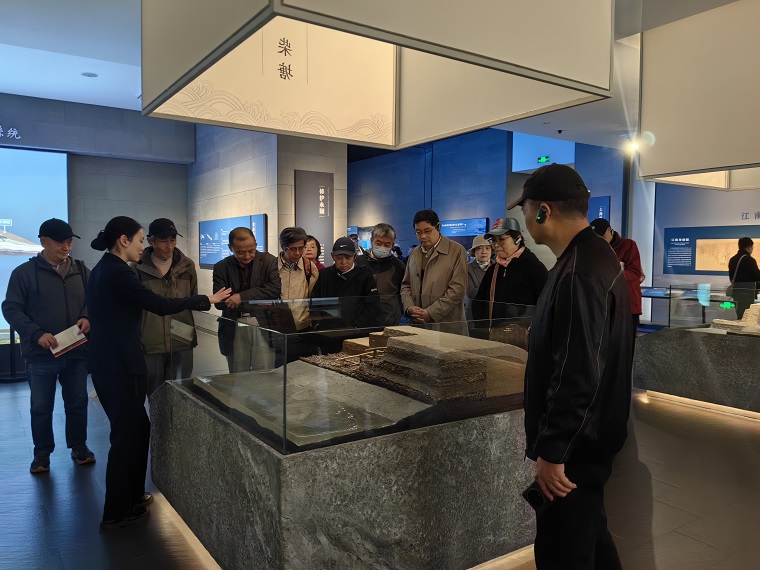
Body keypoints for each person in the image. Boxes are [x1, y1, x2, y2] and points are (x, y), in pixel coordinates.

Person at [509, 164, 632, 569]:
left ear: (543, 210)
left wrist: (554, 450)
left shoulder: (579, 270)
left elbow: (577, 371)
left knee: (563, 553)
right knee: (590, 541)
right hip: (589, 438)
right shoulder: (592, 257)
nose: (525, 217)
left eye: (526, 209)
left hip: (576, 449)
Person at [87, 216, 230, 532]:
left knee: (137, 429)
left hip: (114, 363)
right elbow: (159, 305)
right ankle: (116, 511)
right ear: (124, 240)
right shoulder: (118, 272)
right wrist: (207, 300)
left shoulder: (104, 269)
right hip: (119, 366)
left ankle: (132, 496)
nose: (144, 247)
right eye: (141, 240)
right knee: (126, 436)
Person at [2, 218, 94, 474]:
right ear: (43, 241)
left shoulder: (81, 270)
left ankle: (79, 447)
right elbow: (11, 308)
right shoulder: (23, 273)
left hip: (76, 351)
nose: (66, 247)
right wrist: (36, 333)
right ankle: (41, 454)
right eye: (60, 242)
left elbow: (94, 298)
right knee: (41, 407)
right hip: (41, 354)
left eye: (69, 242)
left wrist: (87, 316)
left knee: (77, 402)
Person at [134, 218, 199, 395]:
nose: (169, 246)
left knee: (182, 391)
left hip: (182, 338)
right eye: (163, 241)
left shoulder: (187, 265)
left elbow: (193, 296)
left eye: (173, 240)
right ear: (151, 241)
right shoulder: (137, 268)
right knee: (155, 392)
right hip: (150, 341)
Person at [212, 227, 281, 373]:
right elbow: (220, 302)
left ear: (256, 244)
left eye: (251, 250)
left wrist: (241, 297)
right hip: (234, 323)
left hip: (262, 323)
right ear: (230, 247)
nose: (247, 256)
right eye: (240, 252)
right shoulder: (221, 267)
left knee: (264, 372)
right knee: (238, 373)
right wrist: (259, 297)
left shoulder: (268, 261)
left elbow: (274, 289)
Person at [401, 209, 468, 334]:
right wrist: (409, 307)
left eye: (427, 231)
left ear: (438, 227)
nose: (423, 236)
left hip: (446, 325)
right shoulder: (414, 253)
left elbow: (457, 289)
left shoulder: (456, 251)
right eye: (418, 232)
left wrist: (431, 313)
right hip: (417, 325)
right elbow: (406, 285)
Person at [472, 220, 547, 324]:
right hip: (495, 332)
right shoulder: (493, 270)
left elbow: (546, 306)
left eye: (501, 239)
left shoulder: (534, 267)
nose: (496, 244)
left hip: (524, 331)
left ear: (517, 239)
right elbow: (479, 304)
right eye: (493, 240)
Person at [311, 237, 382, 330]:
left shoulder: (365, 276)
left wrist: (357, 325)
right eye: (339, 258)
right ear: (332, 256)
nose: (343, 262)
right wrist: (317, 324)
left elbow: (373, 306)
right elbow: (315, 302)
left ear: (354, 256)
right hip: (328, 331)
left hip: (356, 331)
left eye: (348, 258)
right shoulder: (324, 275)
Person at [590, 218, 643, 339]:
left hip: (627, 305)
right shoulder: (594, 249)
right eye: (596, 238)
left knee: (625, 343)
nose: (600, 240)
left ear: (610, 230)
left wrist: (607, 276)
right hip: (602, 306)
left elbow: (634, 272)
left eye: (603, 236)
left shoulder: (628, 245)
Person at [277, 227, 320, 362]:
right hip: (278, 329)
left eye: (301, 248)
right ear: (283, 247)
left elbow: (314, 297)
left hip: (303, 328)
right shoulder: (271, 267)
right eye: (292, 249)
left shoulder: (309, 267)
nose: (297, 253)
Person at [355, 223, 406, 325]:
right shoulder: (358, 262)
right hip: (362, 321)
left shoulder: (398, 265)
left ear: (392, 245)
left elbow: (403, 292)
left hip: (389, 321)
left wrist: (397, 314)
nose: (382, 247)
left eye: (387, 244)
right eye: (378, 243)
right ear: (371, 241)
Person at [727, 237, 760, 319]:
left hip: (736, 292)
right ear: (749, 247)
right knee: (747, 317)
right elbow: (757, 277)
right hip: (747, 293)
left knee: (740, 315)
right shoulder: (750, 260)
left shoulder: (732, 259)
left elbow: (731, 278)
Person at [465, 234, 492, 320]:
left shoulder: (498, 267)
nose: (484, 252)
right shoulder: (467, 269)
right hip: (474, 314)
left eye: (487, 248)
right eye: (479, 248)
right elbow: (471, 293)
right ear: (474, 252)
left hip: (494, 314)